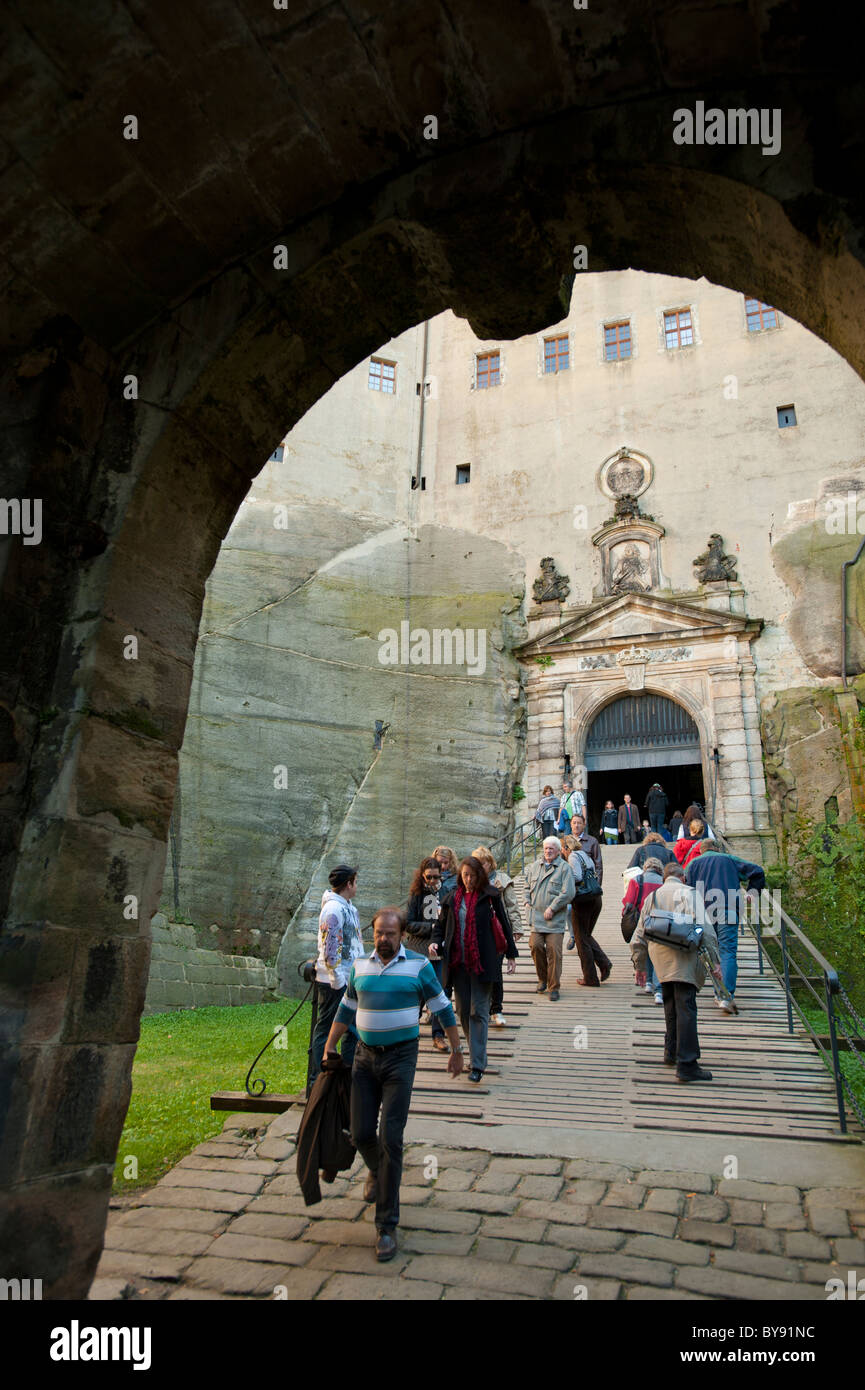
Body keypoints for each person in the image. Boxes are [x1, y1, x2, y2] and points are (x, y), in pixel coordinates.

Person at [324, 907, 463, 1262]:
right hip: (364, 1058)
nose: (383, 939)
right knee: (360, 1133)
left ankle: (386, 1225)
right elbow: (346, 1008)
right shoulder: (359, 966)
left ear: (402, 934)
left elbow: (443, 1008)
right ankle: (377, 1170)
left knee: (391, 1138)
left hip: (401, 1059)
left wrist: (457, 1050)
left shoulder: (418, 967)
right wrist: (329, 1044)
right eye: (378, 934)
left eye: (390, 934)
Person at [630, 863, 720, 1083]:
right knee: (686, 1008)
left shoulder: (653, 896)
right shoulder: (688, 893)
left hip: (660, 958)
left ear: (664, 877)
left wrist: (640, 965)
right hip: (684, 957)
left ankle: (671, 1052)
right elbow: (705, 929)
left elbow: (639, 934)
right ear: (683, 878)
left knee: (671, 1005)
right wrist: (715, 961)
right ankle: (687, 1064)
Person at [431, 856, 518, 1081]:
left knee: (478, 1011)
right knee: (462, 1011)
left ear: (479, 875)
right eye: (465, 875)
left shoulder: (490, 896)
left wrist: (511, 954)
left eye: (472, 875)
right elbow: (441, 926)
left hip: (483, 962)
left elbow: (504, 923)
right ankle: (475, 1051)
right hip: (458, 964)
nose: (469, 879)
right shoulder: (452, 898)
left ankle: (477, 1064)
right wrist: (434, 941)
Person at [684, 840, 766, 1011]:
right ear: (717, 848)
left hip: (704, 913)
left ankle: (710, 989)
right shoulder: (729, 859)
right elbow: (757, 871)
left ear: (701, 851)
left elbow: (686, 888)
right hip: (728, 909)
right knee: (728, 951)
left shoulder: (692, 864)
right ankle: (725, 996)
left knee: (708, 951)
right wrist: (752, 892)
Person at [309, 864, 364, 1086]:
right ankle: (319, 1078)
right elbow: (330, 950)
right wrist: (338, 981)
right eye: (355, 882)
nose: (356, 886)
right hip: (335, 982)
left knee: (352, 1029)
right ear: (348, 884)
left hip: (350, 978)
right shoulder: (333, 910)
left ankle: (347, 1075)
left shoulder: (348, 907)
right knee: (328, 1027)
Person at [472, 844, 523, 1027]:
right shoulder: (471, 882)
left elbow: (511, 906)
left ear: (490, 863)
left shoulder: (501, 880)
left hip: (498, 932)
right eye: (477, 863)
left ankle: (496, 1009)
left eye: (483, 863)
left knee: (495, 971)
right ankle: (480, 1007)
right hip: (477, 933)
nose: (480, 867)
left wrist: (516, 929)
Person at [523, 836, 575, 1001]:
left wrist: (553, 907)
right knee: (535, 945)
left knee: (554, 951)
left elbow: (568, 892)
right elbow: (526, 885)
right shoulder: (534, 867)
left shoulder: (564, 868)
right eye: (546, 848)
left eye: (552, 848)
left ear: (558, 851)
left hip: (555, 919)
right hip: (536, 918)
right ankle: (542, 978)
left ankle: (554, 986)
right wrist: (526, 901)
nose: (548, 851)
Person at [406, 857, 449, 1051]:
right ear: (422, 875)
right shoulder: (417, 894)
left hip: (439, 949)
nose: (432, 880)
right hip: (420, 948)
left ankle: (438, 1034)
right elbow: (408, 923)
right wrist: (430, 928)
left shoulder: (446, 891)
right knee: (418, 992)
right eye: (428, 877)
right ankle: (409, 1029)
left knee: (440, 990)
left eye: (435, 876)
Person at [563, 833, 611, 987]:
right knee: (585, 935)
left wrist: (563, 878)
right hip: (595, 898)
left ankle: (590, 977)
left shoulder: (573, 857)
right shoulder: (584, 854)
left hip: (583, 900)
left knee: (581, 939)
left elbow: (576, 876)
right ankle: (603, 963)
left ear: (566, 848)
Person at [622, 855, 665, 1002]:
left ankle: (647, 982)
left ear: (646, 867)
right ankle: (658, 990)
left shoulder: (637, 880)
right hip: (660, 918)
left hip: (642, 918)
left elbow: (629, 901)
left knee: (645, 949)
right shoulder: (664, 881)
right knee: (658, 952)